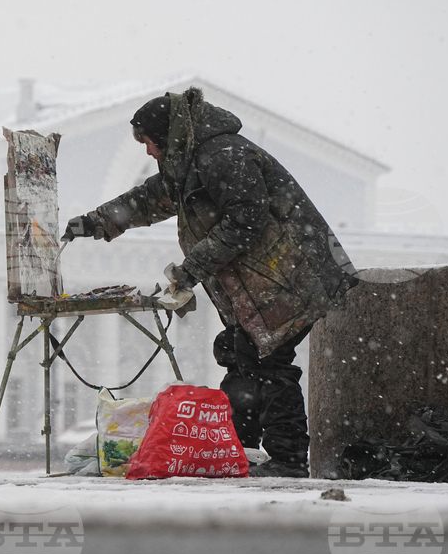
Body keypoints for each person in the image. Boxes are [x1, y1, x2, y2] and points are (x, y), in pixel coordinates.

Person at [61, 86, 359, 477]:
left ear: (167, 136)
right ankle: (243, 450)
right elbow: (150, 198)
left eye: (149, 143)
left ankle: (287, 460)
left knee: (268, 365)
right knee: (239, 356)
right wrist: (96, 222)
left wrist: (190, 270)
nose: (149, 153)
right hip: (261, 283)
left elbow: (245, 222)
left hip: (286, 278)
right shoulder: (191, 161)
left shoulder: (224, 156)